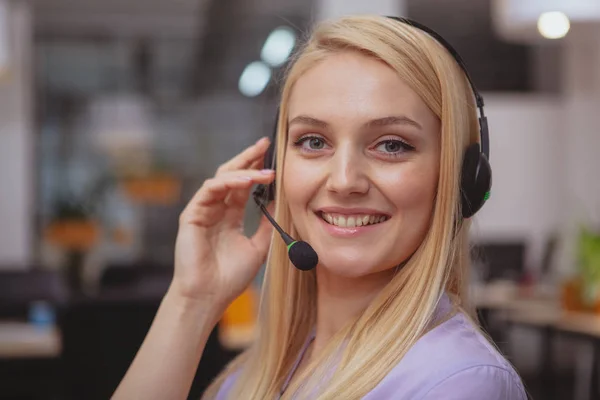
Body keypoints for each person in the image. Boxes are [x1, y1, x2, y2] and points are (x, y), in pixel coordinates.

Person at [114, 14, 528, 400]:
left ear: (461, 178)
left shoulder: (458, 380)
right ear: (276, 168)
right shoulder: (261, 371)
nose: (344, 180)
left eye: (392, 145)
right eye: (313, 141)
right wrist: (193, 300)